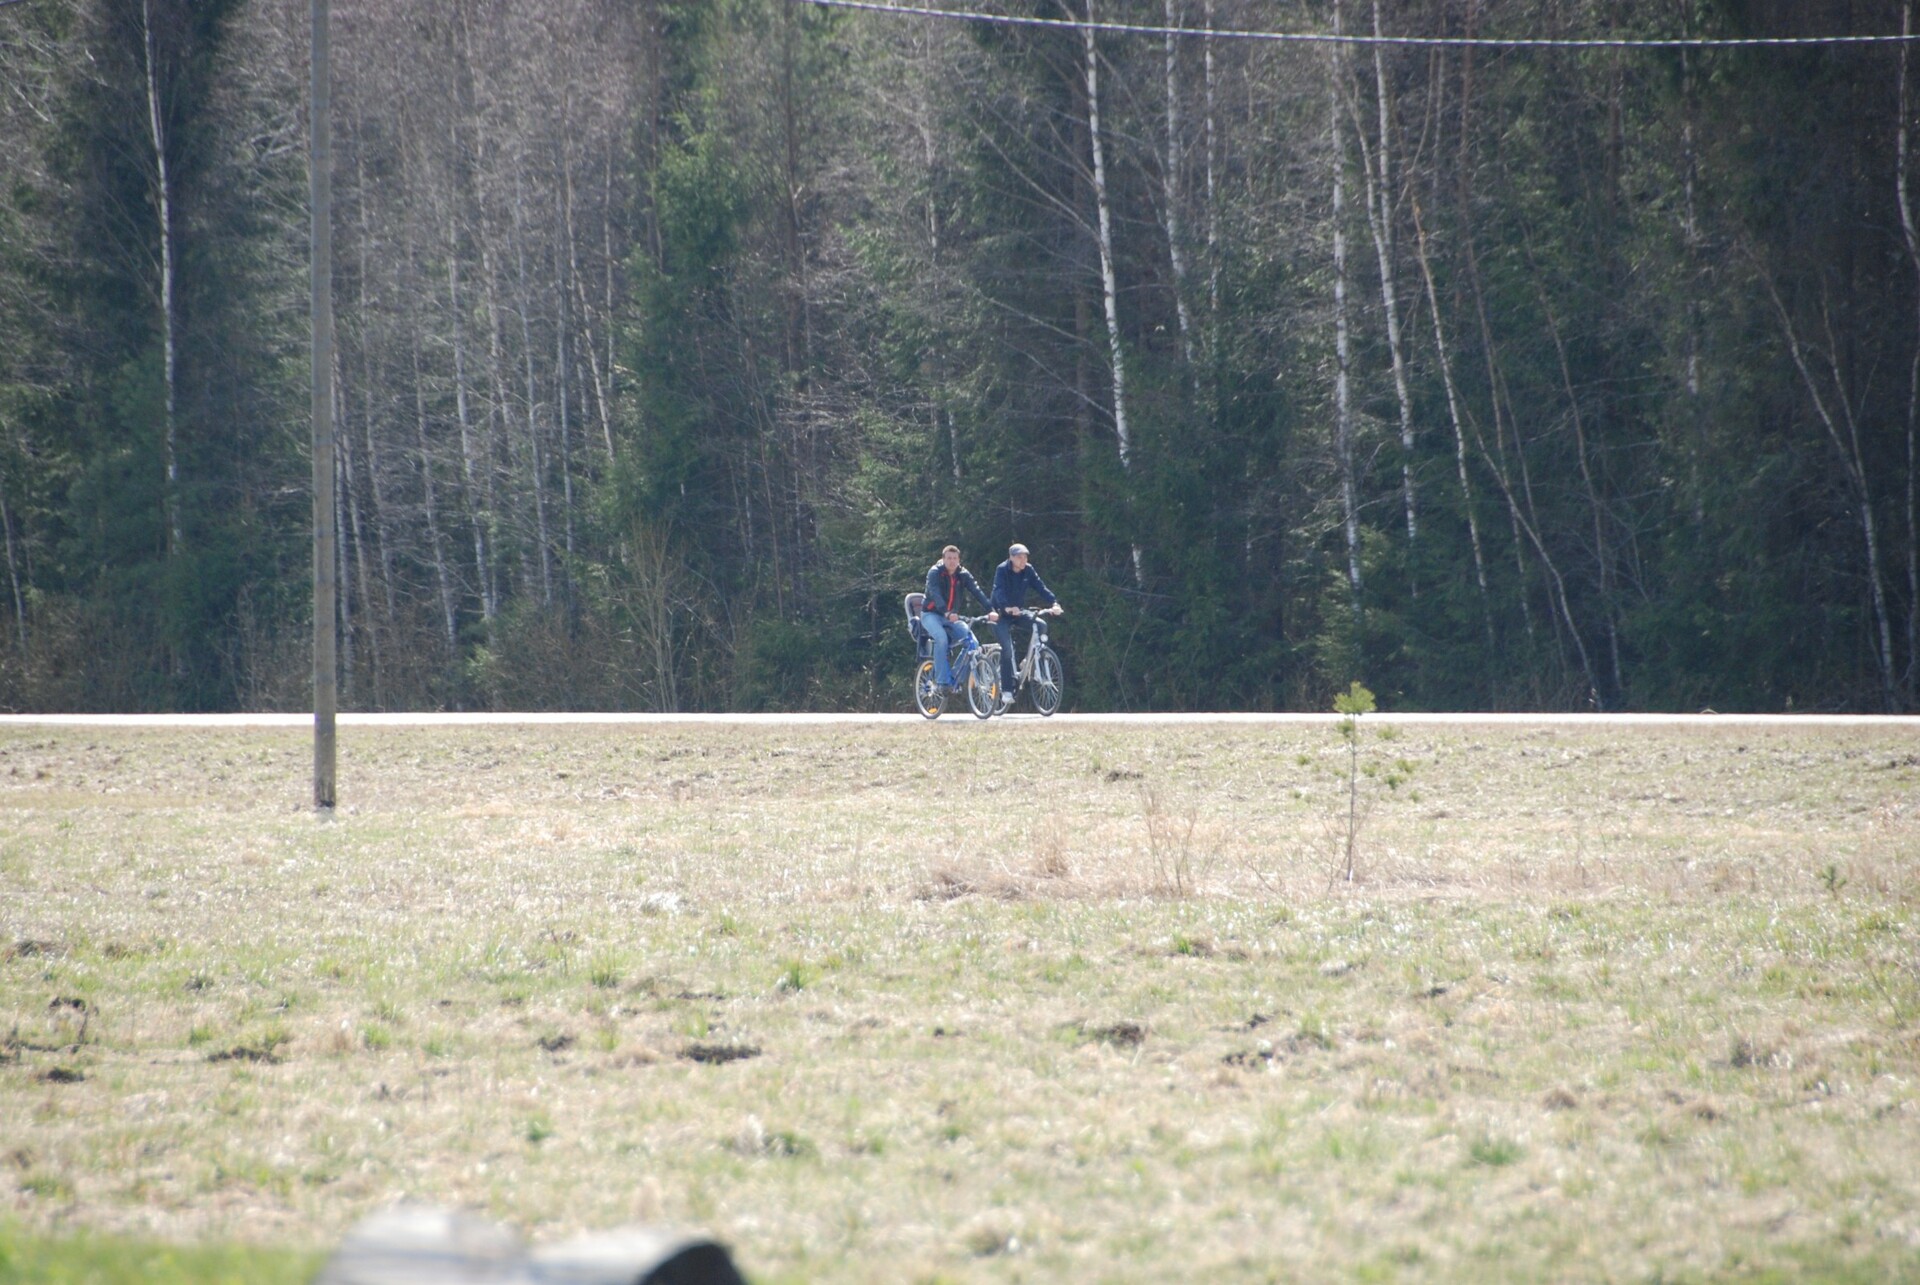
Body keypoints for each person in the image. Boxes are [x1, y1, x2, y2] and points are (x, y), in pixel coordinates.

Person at [989, 542, 1060, 709]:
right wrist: (1006, 607)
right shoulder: (1002, 570)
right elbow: (998, 590)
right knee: (1007, 650)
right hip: (1000, 615)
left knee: (1041, 625)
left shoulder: (1028, 570)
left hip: (1019, 612)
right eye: (1019, 557)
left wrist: (1054, 603)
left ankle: (1030, 662)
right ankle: (1007, 690)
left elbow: (1041, 587)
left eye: (1025, 557)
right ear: (1011, 558)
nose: (1023, 560)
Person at [921, 545, 997, 692]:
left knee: (973, 643)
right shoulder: (935, 572)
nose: (952, 561)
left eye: (955, 558)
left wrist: (991, 610)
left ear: (959, 560)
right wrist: (946, 612)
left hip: (951, 617)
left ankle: (954, 677)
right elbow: (935, 593)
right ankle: (942, 682)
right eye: (949, 558)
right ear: (943, 559)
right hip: (931, 614)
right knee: (941, 638)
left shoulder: (963, 574)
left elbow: (977, 591)